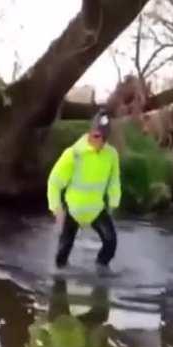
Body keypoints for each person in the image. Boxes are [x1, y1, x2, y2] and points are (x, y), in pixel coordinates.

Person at [47, 110, 121, 273]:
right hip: (74, 209)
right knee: (63, 251)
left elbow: (114, 180)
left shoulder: (111, 155)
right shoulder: (73, 154)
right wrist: (56, 208)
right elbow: (54, 181)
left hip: (96, 209)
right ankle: (58, 283)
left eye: (103, 137)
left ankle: (100, 269)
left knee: (111, 242)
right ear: (90, 132)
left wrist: (114, 201)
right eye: (96, 136)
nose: (99, 141)